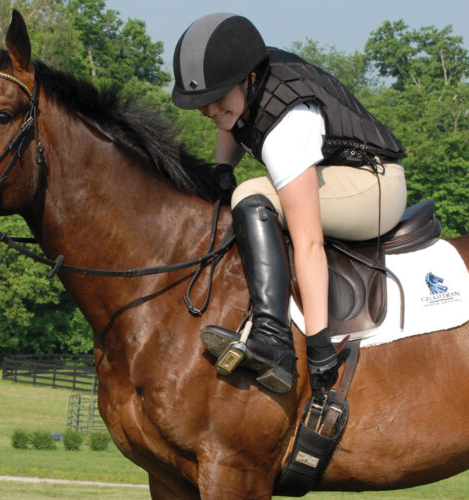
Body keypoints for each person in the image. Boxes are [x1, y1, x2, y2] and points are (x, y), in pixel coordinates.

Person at [172, 13, 407, 397]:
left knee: (251, 197)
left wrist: (319, 344)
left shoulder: (288, 124)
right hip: (343, 174)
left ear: (247, 79)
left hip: (375, 188)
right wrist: (220, 169)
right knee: (240, 187)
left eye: (215, 99)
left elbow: (309, 241)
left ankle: (273, 341)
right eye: (202, 105)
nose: (211, 111)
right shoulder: (251, 84)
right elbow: (234, 122)